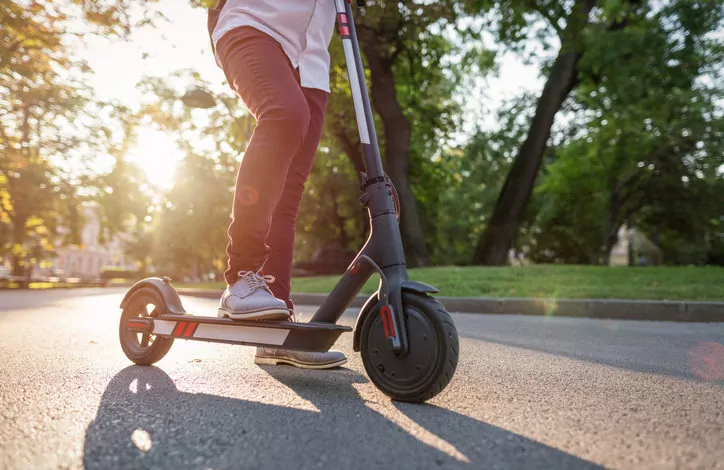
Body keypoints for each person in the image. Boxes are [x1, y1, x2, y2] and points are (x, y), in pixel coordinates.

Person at [208, 0, 347, 369]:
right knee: (285, 115)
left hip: (312, 60)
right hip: (255, 22)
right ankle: (240, 277)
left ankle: (276, 331)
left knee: (288, 192)